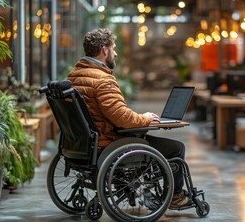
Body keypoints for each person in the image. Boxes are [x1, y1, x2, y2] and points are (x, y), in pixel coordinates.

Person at [66, 28, 191, 208]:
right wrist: (146, 118)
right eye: (113, 48)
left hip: (82, 145)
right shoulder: (102, 80)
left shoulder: (74, 75)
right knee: (176, 148)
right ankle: (175, 197)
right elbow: (123, 119)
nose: (115, 53)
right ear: (104, 50)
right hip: (107, 144)